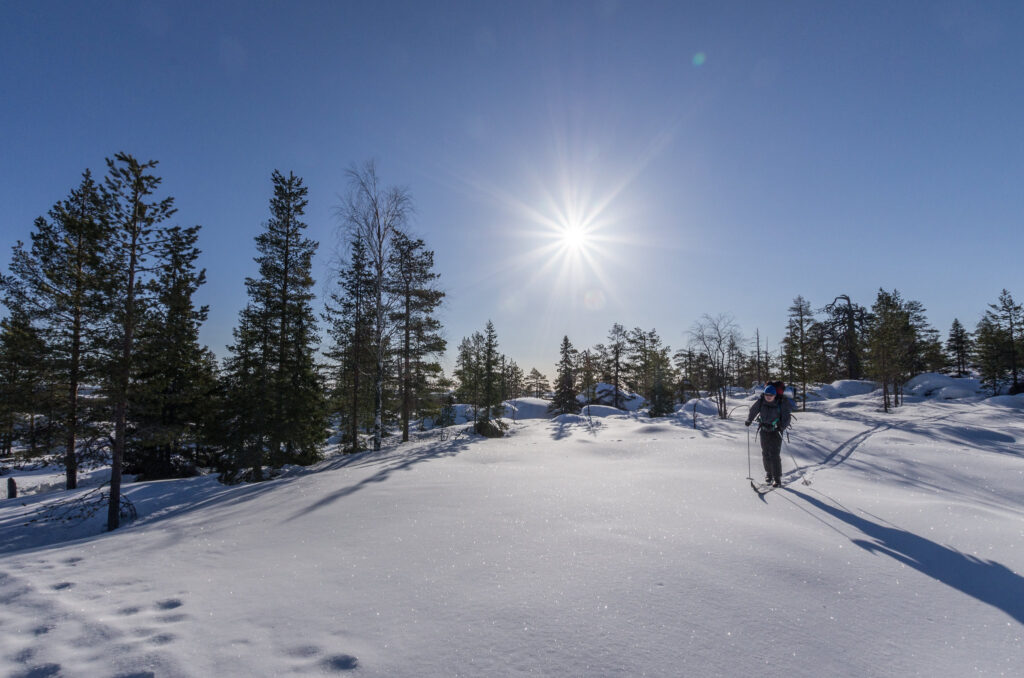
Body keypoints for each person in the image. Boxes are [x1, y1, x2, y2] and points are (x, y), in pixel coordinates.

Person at [745, 384, 792, 487]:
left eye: (771, 395)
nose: (768, 396)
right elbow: (753, 410)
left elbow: (787, 417)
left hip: (776, 431)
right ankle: (769, 473)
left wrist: (782, 427)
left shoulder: (781, 403)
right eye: (767, 394)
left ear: (775, 395)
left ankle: (777, 478)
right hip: (764, 430)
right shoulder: (761, 401)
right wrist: (749, 419)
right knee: (765, 453)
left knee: (774, 454)